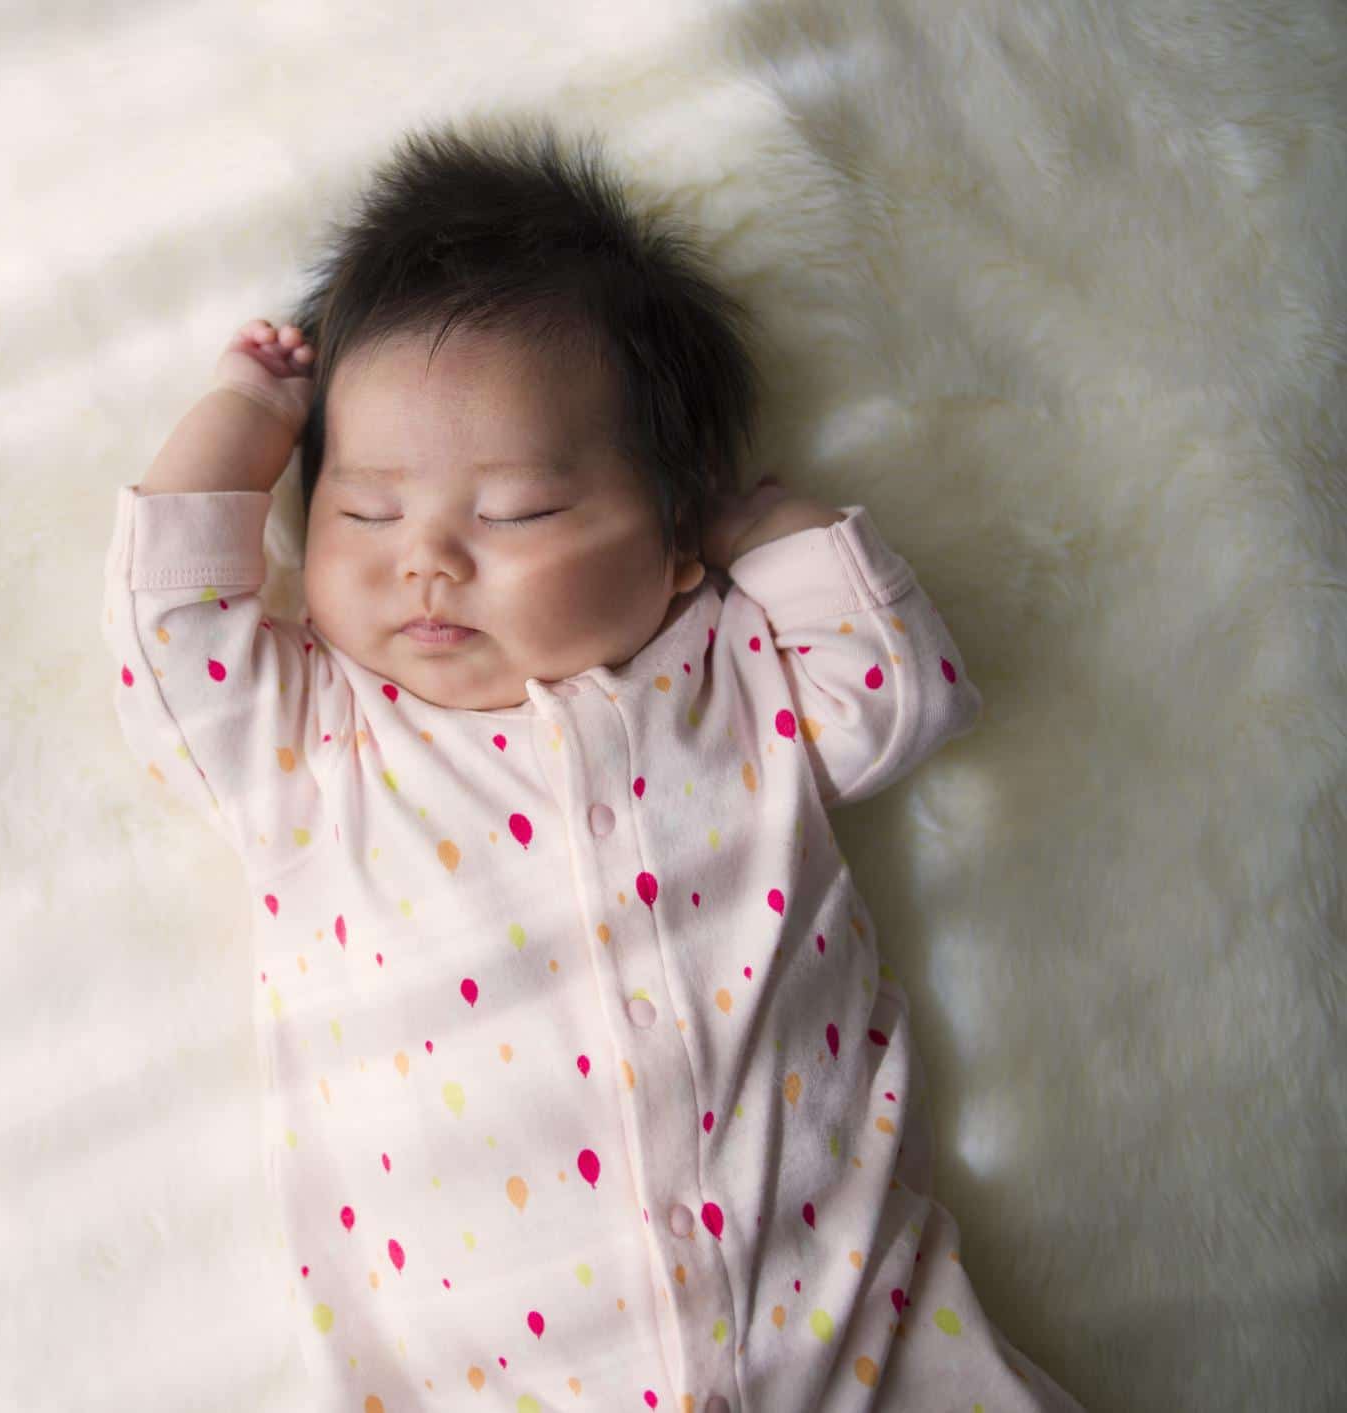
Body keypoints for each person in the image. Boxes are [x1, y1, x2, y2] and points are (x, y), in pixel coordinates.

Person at [101, 115, 1085, 1412]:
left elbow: (896, 697)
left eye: (514, 511)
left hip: (858, 1342)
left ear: (673, 540)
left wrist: (773, 528)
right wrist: (241, 424)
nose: (427, 560)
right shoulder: (318, 742)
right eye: (363, 508)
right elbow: (172, 634)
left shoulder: (729, 675)